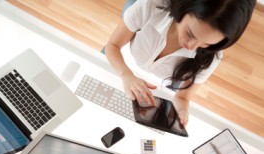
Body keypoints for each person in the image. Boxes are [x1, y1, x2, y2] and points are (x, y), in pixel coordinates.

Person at [105, 0, 256, 127]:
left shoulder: (212, 57)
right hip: (123, 62)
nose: (192, 46)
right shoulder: (150, 6)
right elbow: (112, 45)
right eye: (190, 33)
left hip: (159, 84)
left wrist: (182, 112)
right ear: (184, 7)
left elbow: (183, 97)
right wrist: (126, 74)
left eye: (207, 43)